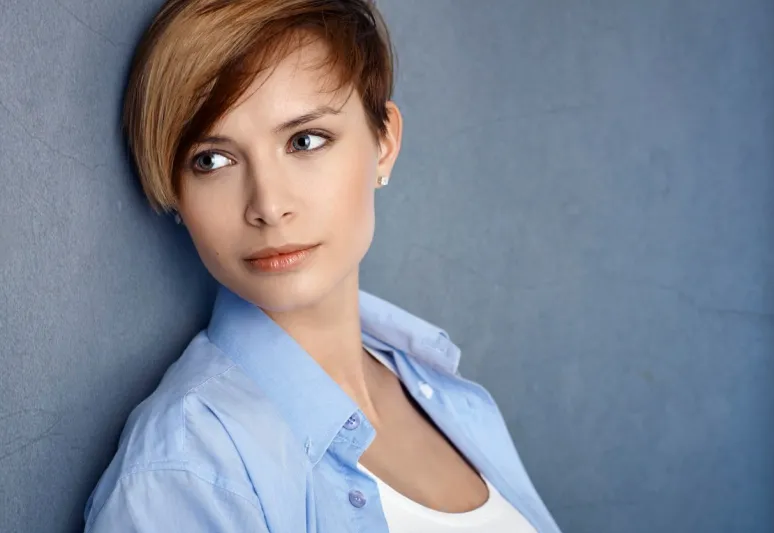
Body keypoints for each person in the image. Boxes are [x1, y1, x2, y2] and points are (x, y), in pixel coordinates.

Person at [82, 1, 561, 531]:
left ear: (384, 143)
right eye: (212, 160)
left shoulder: (436, 384)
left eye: (305, 141)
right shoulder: (184, 475)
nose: (268, 205)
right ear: (176, 190)